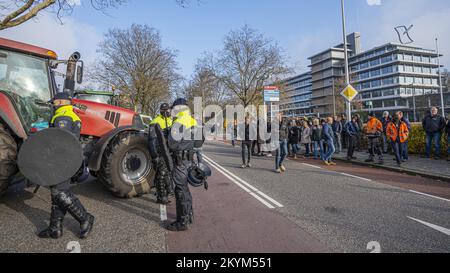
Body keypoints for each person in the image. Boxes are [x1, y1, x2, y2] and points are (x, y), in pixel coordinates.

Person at [39, 92, 94, 239]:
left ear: (62, 101)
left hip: (61, 160)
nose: (53, 104)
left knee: (60, 193)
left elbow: (60, 142)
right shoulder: (70, 114)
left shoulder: (62, 116)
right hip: (67, 159)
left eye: (55, 102)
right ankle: (54, 229)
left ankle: (85, 218)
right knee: (57, 193)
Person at [166, 98, 200, 231]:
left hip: (180, 160)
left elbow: (172, 144)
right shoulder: (192, 121)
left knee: (180, 190)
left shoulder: (178, 122)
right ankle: (189, 214)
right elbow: (199, 142)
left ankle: (182, 221)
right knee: (185, 189)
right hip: (189, 158)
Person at [150, 103, 174, 205]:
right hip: (160, 153)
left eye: (167, 109)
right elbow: (151, 141)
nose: (166, 111)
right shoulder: (155, 121)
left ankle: (167, 191)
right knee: (161, 174)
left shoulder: (171, 121)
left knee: (167, 173)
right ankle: (161, 197)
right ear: (160, 111)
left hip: (169, 152)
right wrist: (154, 155)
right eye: (163, 110)